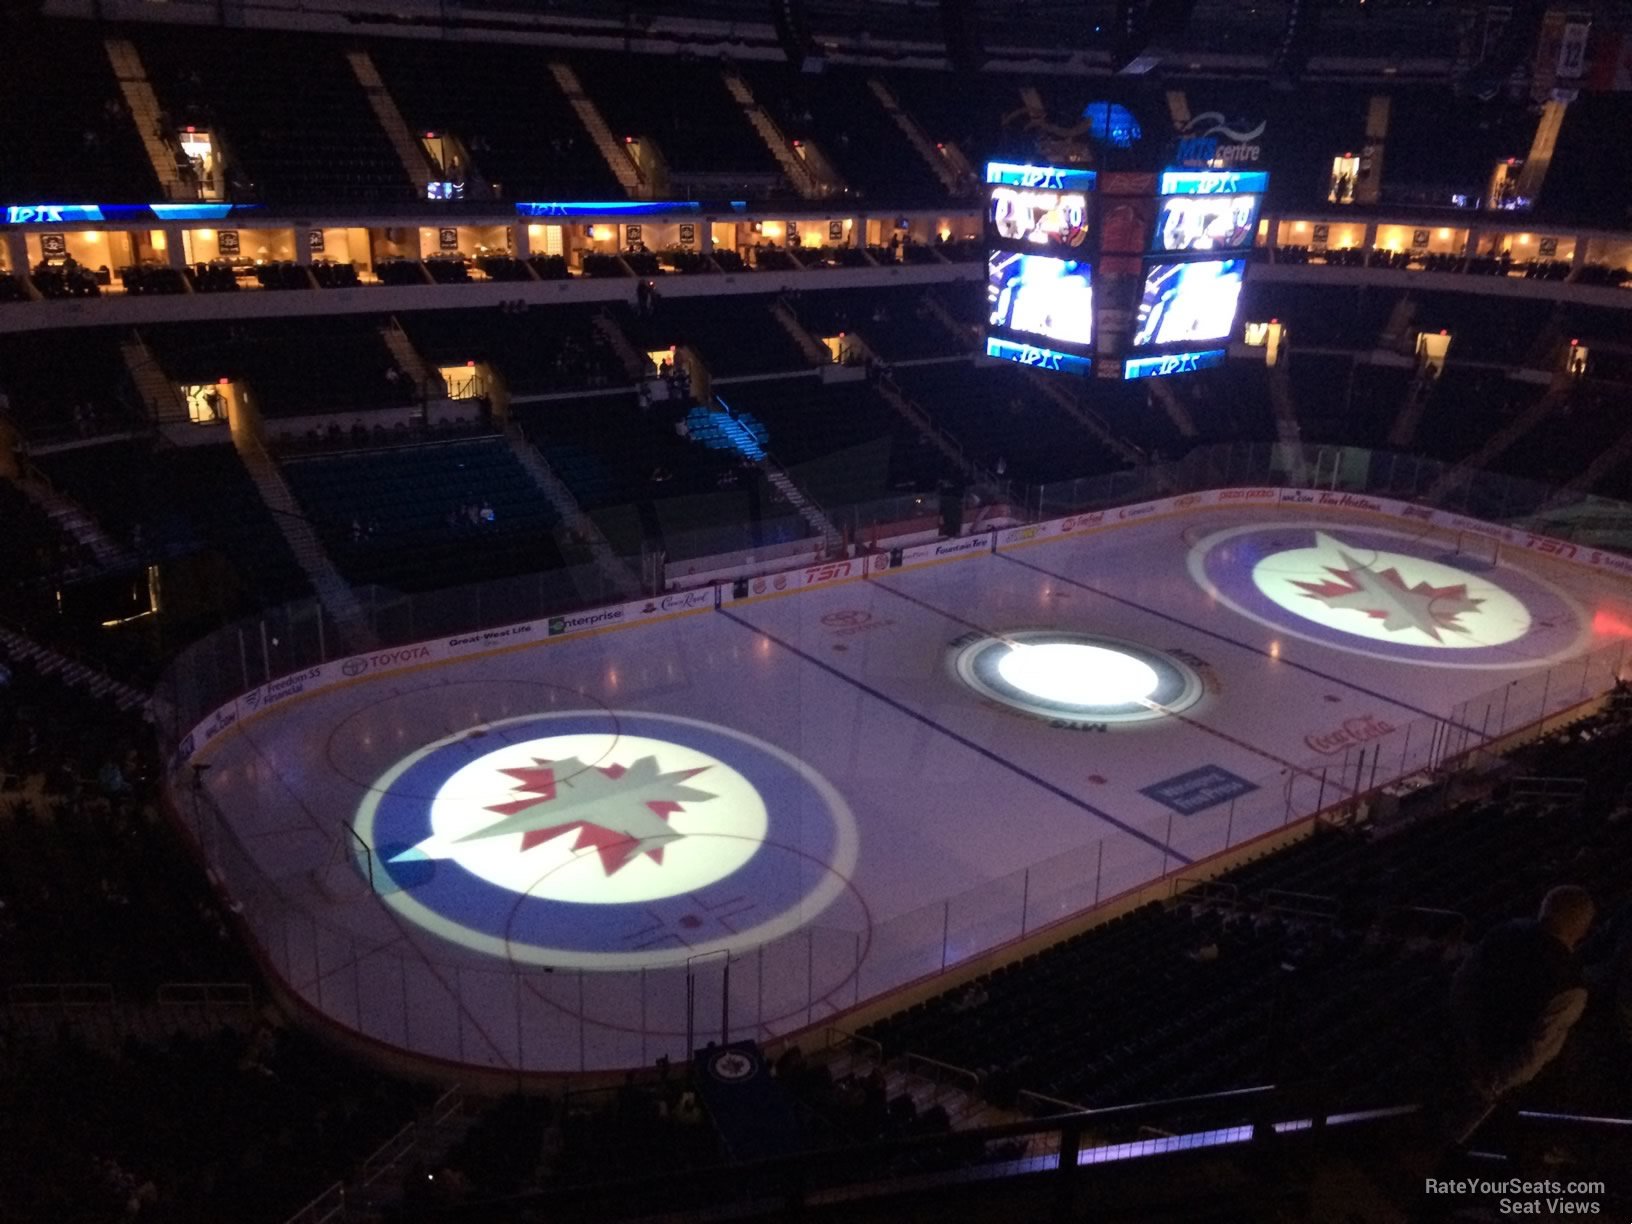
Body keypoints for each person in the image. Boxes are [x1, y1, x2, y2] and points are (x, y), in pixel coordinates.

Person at [1440, 886, 1595, 1143]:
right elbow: (1536, 1053)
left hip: (1455, 1051)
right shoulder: (1571, 986)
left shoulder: (1506, 932)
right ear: (1583, 929)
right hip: (1490, 1079)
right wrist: (1494, 1086)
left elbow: (1461, 986)